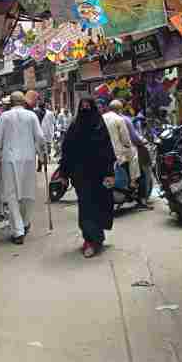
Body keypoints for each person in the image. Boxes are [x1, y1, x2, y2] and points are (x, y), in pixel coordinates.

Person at [60, 98, 117, 258]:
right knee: (86, 208)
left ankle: (97, 237)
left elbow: (107, 150)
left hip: (99, 175)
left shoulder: (100, 126)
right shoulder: (74, 127)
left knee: (99, 206)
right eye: (83, 108)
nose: (85, 111)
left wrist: (109, 173)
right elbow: (67, 151)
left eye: (88, 107)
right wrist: (63, 174)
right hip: (81, 176)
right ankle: (90, 240)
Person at [0, 91, 45, 245]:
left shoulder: (5, 116)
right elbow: (40, 137)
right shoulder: (31, 116)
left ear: (11, 103)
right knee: (28, 193)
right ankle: (24, 223)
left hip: (9, 160)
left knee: (11, 195)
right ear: (23, 102)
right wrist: (42, 156)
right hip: (28, 159)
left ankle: (18, 231)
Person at [103, 99, 140, 189]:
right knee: (134, 152)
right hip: (116, 151)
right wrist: (129, 146)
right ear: (120, 109)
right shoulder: (119, 119)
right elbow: (125, 139)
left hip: (102, 149)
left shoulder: (101, 117)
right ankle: (133, 181)